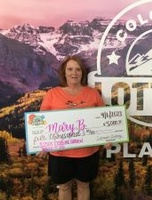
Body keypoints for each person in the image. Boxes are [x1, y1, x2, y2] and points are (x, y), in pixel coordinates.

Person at [38, 55, 105, 200]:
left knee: (84, 186)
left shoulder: (93, 94)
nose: (74, 73)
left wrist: (107, 137)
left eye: (78, 69)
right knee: (64, 187)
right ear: (64, 73)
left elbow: (103, 119)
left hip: (87, 152)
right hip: (60, 153)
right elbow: (42, 122)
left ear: (82, 73)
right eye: (70, 69)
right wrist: (42, 143)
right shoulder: (52, 94)